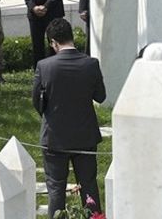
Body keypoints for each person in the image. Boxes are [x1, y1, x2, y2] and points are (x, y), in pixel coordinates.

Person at [32, 18, 106, 217]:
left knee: (56, 189)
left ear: (53, 42)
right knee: (89, 186)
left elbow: (37, 103)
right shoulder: (91, 64)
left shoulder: (44, 66)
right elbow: (101, 96)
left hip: (55, 137)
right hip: (85, 136)